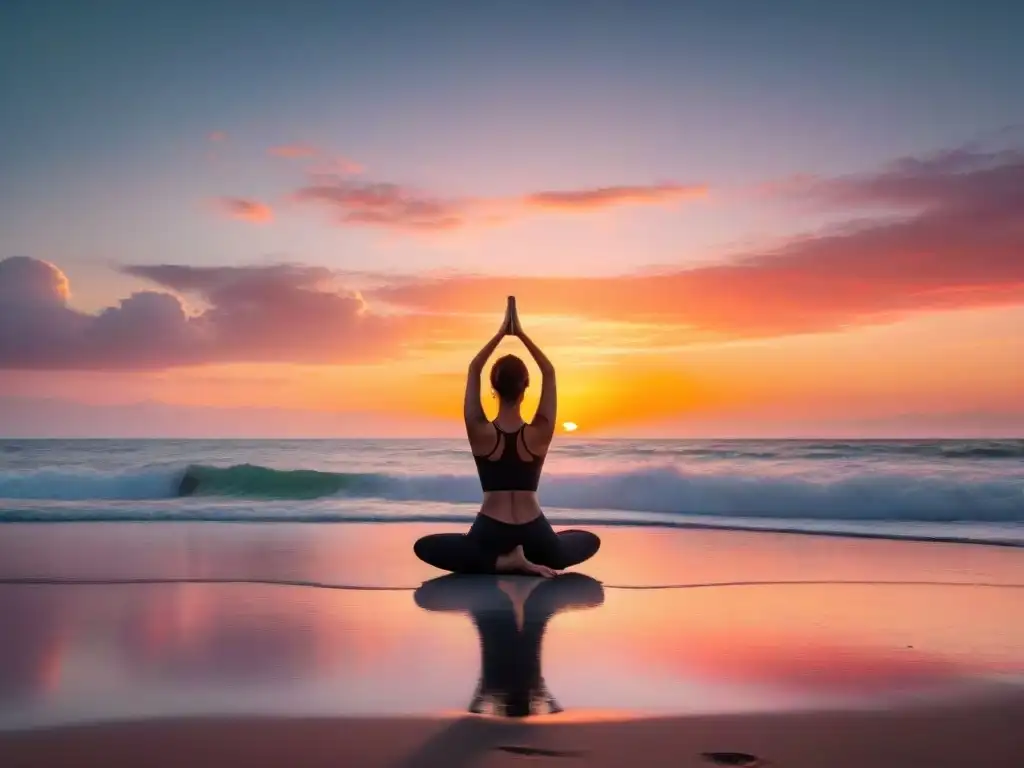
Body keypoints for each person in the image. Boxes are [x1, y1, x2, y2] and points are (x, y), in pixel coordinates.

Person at [413, 297, 601, 577]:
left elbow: (474, 368)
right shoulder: (539, 431)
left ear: (493, 388)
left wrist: (501, 333)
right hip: (534, 529)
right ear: (525, 389)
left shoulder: (480, 431)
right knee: (584, 542)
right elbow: (549, 372)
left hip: (491, 529)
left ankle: (502, 562)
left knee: (426, 547)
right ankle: (526, 557)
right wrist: (521, 334)